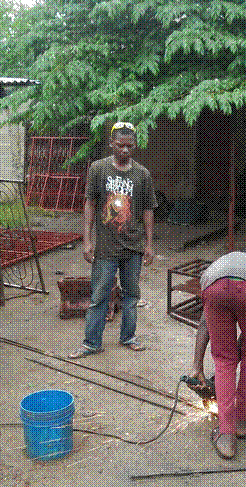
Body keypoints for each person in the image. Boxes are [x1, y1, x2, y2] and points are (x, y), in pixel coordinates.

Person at [69, 122, 155, 359]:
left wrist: (149, 244)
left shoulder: (142, 174)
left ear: (135, 145)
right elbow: (90, 204)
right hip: (105, 248)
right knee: (99, 297)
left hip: (133, 247)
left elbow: (148, 209)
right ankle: (91, 342)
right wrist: (87, 240)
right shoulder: (98, 169)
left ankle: (128, 336)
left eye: (130, 146)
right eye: (120, 145)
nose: (125, 150)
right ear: (111, 144)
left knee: (131, 295)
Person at [189, 251, 246, 459]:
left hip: (215, 288)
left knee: (224, 361)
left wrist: (198, 366)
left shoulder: (217, 268)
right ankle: (243, 421)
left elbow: (205, 322)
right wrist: (245, 348)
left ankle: (226, 435)